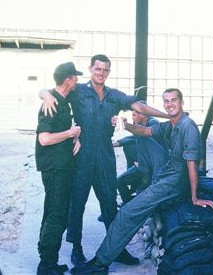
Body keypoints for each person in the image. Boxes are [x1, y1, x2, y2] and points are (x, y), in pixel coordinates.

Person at [39, 54, 169, 267]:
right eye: (98, 69)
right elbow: (51, 90)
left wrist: (168, 116)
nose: (101, 73)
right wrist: (45, 95)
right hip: (81, 157)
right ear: (91, 69)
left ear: (109, 72)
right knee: (77, 204)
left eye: (105, 70)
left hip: (105, 157)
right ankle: (76, 249)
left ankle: (116, 248)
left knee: (109, 204)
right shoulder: (78, 91)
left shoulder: (114, 96)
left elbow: (139, 106)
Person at [70, 88, 213, 275]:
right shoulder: (170, 124)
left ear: (182, 102)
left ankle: (101, 262)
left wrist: (194, 197)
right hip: (167, 176)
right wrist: (126, 125)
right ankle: (105, 256)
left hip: (174, 181)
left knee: (128, 212)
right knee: (131, 205)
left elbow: (192, 164)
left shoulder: (187, 126)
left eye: (174, 100)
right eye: (166, 101)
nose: (170, 104)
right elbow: (145, 131)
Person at [35, 62, 82, 275]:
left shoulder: (61, 99)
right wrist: (70, 134)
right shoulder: (50, 104)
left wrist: (76, 137)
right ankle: (46, 265)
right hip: (55, 168)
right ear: (68, 80)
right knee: (57, 214)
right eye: (75, 77)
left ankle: (47, 259)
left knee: (53, 211)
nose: (77, 81)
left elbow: (43, 91)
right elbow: (44, 139)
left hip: (62, 166)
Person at [116, 102, 169, 205]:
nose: (133, 118)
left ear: (143, 114)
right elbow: (133, 137)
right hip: (144, 165)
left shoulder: (153, 124)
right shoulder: (140, 125)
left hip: (155, 168)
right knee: (120, 181)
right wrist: (117, 143)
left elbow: (153, 149)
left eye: (134, 115)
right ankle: (128, 204)